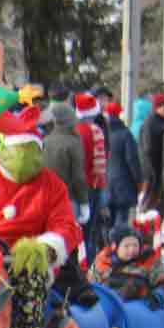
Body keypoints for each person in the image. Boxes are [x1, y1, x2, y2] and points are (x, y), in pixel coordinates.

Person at [0, 106, 83, 328]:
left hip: (29, 256)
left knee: (31, 279)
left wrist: (46, 247)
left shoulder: (52, 185)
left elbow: (65, 225)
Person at [40, 101, 89, 225]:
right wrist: (84, 202)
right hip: (68, 199)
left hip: (44, 200)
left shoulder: (44, 141)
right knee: (70, 238)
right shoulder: (73, 143)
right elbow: (78, 177)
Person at [72, 91, 109, 254]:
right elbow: (100, 166)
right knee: (90, 231)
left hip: (72, 187)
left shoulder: (72, 130)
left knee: (75, 230)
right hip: (90, 187)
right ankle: (89, 265)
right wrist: (100, 187)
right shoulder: (96, 131)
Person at [104, 100, 141, 231]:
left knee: (108, 221)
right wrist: (139, 180)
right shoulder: (125, 134)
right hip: (123, 183)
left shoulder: (102, 133)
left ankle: (108, 246)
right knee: (121, 220)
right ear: (120, 114)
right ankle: (118, 246)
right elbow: (132, 160)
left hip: (105, 184)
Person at [138, 91, 164, 214]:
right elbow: (148, 148)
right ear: (158, 106)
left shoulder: (163, 120)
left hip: (160, 166)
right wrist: (151, 169)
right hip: (152, 168)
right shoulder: (150, 122)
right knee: (150, 198)